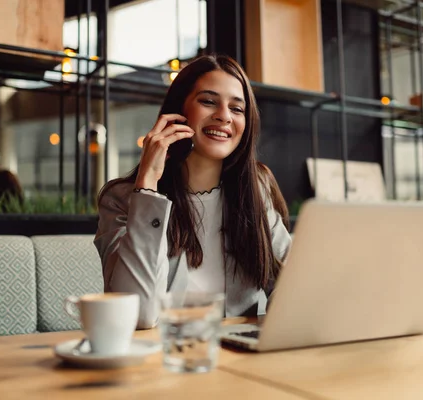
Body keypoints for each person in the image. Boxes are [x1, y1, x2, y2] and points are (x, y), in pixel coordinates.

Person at [94, 54, 292, 329]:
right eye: (209, 101)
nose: (224, 115)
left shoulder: (256, 189)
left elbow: (293, 285)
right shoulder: (123, 200)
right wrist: (147, 185)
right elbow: (136, 314)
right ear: (178, 111)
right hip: (165, 357)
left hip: (240, 356)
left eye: (237, 109)